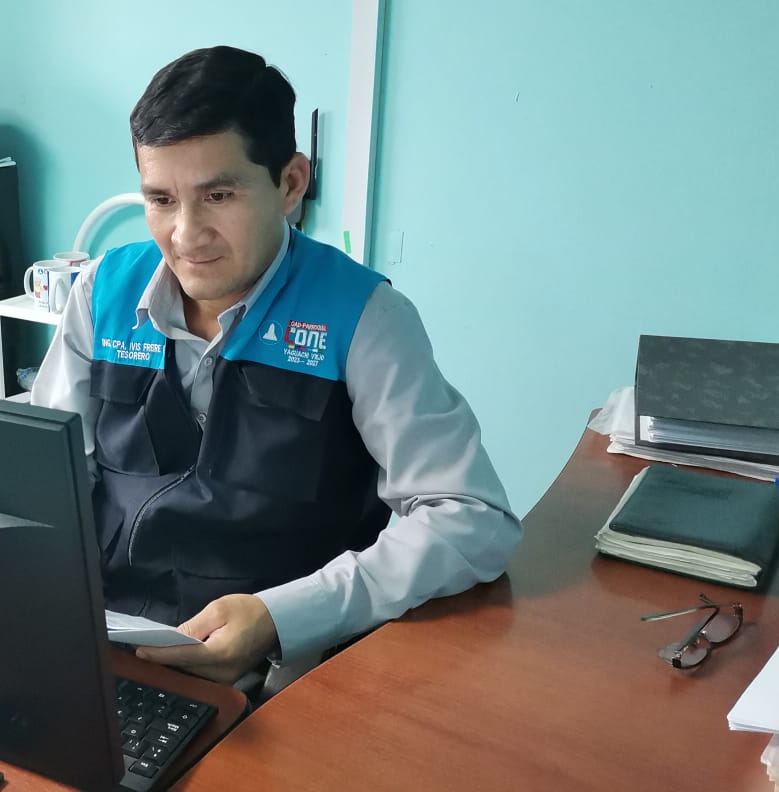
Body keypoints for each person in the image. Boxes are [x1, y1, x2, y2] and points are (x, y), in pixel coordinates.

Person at [31, 45, 521, 692]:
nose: (186, 234)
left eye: (218, 195)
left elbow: (472, 519)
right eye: (161, 199)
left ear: (290, 184)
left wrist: (282, 617)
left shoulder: (361, 318)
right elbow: (46, 478)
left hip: (284, 672)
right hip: (110, 645)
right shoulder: (103, 295)